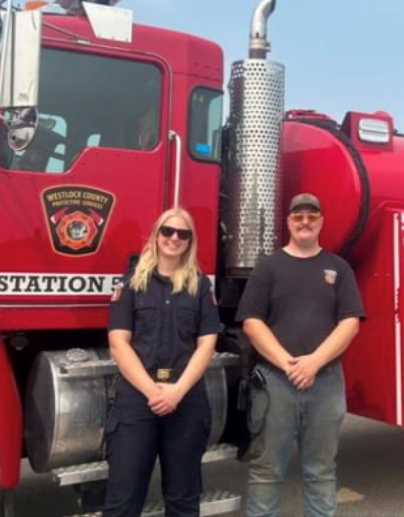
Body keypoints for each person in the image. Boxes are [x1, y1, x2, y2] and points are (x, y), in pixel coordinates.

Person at [236, 193, 366, 517]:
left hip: (325, 382)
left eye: (311, 216)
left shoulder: (339, 268)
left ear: (321, 221)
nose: (305, 222)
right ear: (288, 222)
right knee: (266, 471)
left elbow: (350, 323)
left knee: (321, 472)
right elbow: (252, 323)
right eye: (298, 216)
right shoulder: (269, 266)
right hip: (275, 383)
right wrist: (288, 363)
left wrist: (314, 362)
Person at [103, 208, 223, 517]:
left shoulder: (200, 287)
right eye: (168, 231)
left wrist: (177, 391)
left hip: (186, 398)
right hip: (137, 399)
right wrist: (153, 392)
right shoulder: (130, 283)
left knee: (183, 503)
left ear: (190, 241)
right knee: (122, 503)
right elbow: (119, 344)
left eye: (183, 234)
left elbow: (207, 343)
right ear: (156, 235)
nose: (174, 238)